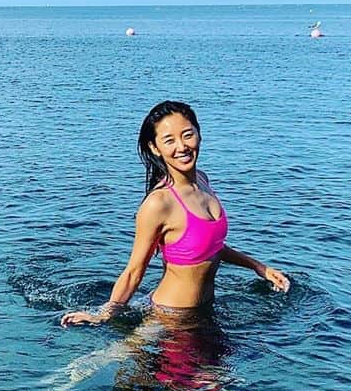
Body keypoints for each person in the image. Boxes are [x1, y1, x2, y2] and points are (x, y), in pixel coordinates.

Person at [60, 100, 289, 328]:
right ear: (155, 148)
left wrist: (259, 267)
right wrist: (104, 314)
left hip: (205, 312)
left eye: (188, 135)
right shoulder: (159, 203)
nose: (182, 147)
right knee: (111, 360)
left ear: (199, 133)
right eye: (169, 140)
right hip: (170, 319)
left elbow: (213, 247)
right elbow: (134, 271)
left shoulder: (202, 180)